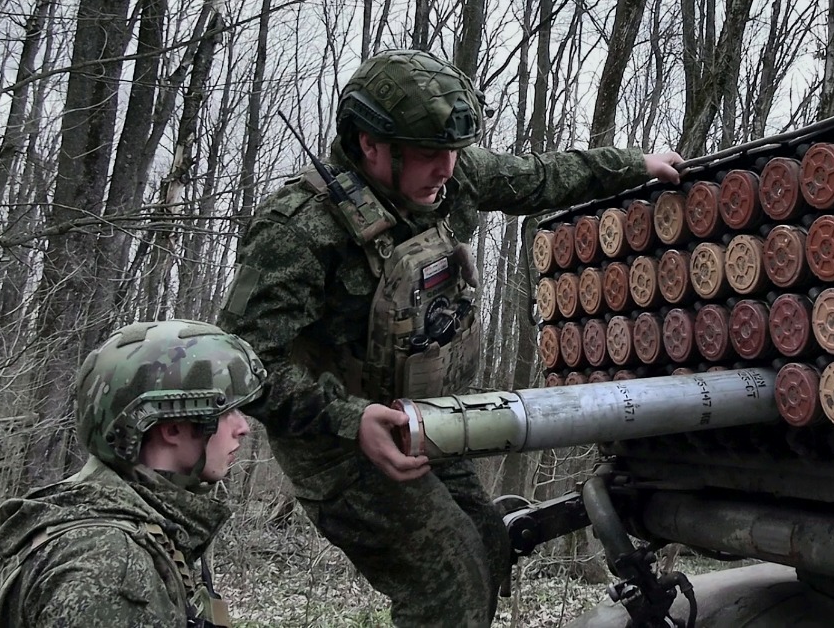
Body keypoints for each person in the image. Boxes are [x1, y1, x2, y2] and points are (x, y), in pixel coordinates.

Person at [217, 48, 684, 626]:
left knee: (487, 545)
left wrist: (636, 164)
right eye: (429, 156)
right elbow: (240, 364)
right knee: (449, 580)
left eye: (454, 154)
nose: (446, 170)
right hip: (338, 443)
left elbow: (540, 177)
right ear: (371, 145)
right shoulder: (300, 229)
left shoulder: (452, 176)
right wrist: (349, 418)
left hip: (425, 421)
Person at [0, 319, 266, 627]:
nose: (242, 428)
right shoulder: (109, 566)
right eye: (225, 411)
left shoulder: (138, 523)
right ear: (172, 427)